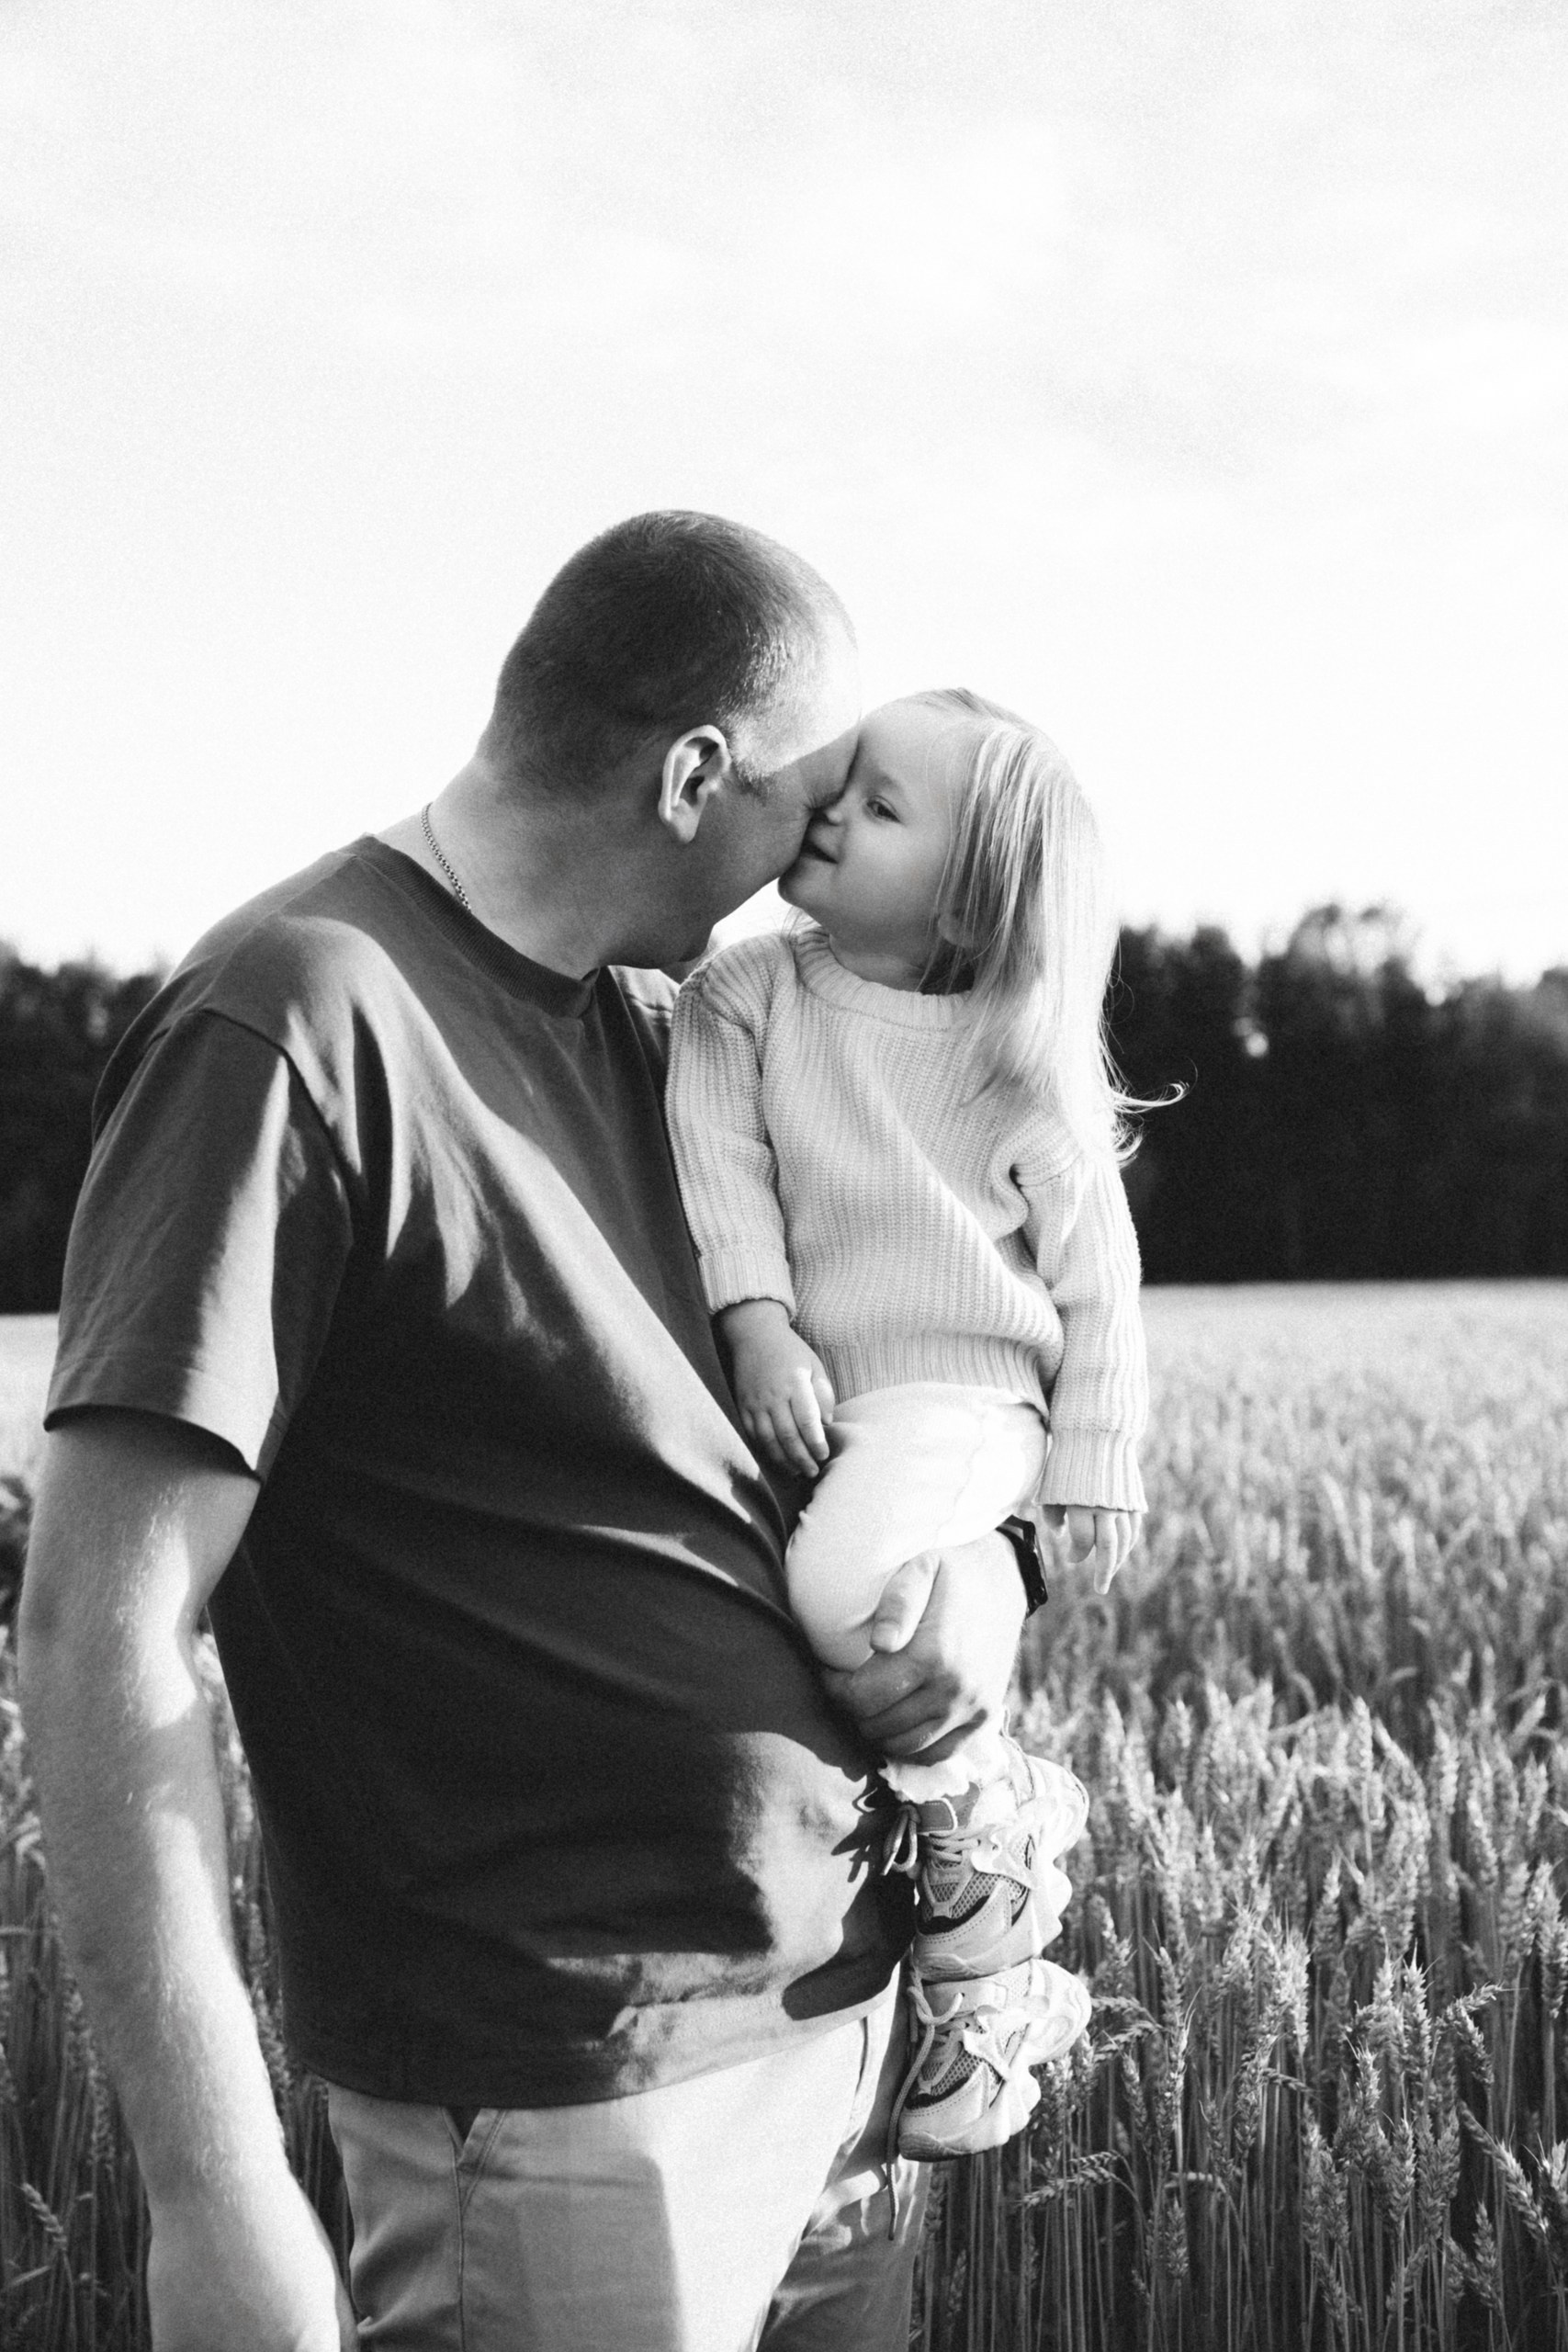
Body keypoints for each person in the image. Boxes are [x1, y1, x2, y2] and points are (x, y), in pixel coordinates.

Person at [17, 515, 1043, 2352]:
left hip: (840, 2039)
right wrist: (212, 2188)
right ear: (693, 777)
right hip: (569, 2091)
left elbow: (926, 1347)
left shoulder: (686, 1029)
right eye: (805, 808)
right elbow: (100, 1620)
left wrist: (986, 1566)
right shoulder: (294, 1020)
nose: (813, 870)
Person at [665, 688, 1149, 2160]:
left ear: (969, 901)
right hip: (838, 1390)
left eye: (879, 807)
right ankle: (988, 1963)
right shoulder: (745, 994)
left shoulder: (1015, 1061)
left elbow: (1099, 1287)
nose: (827, 809)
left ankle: (992, 1809)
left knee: (836, 1593)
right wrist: (755, 1317)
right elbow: (720, 1166)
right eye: (845, 783)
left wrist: (1093, 1470)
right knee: (861, 1616)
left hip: (965, 1401)